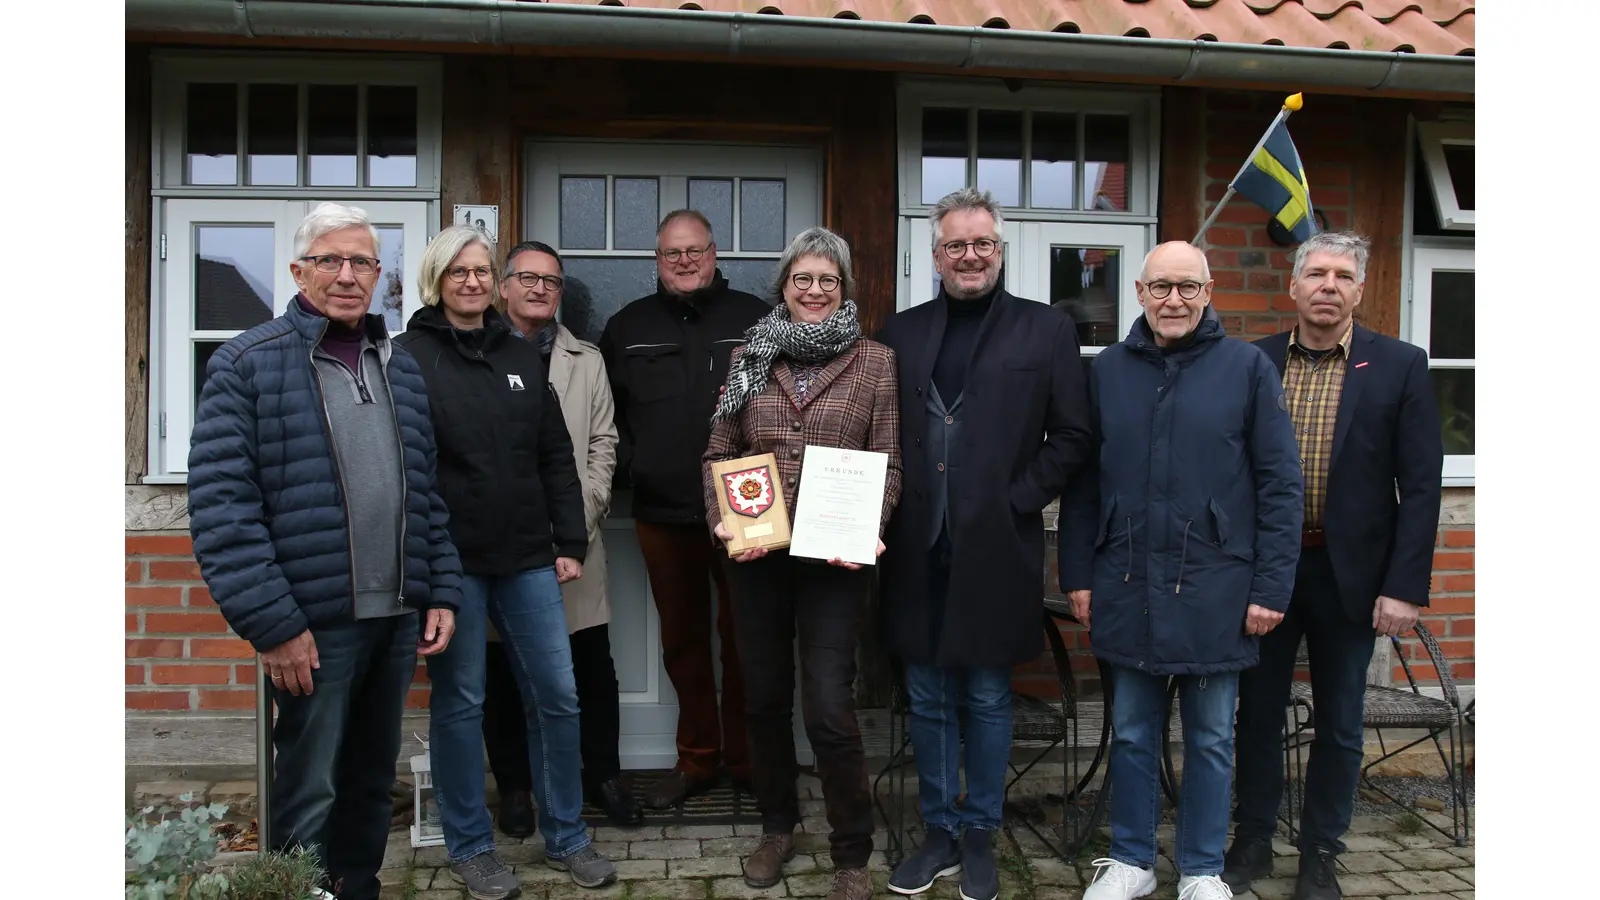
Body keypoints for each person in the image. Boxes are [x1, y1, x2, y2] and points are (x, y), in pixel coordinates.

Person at [188, 202, 461, 900]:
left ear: (381, 274)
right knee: (310, 786)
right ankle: (296, 891)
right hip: (312, 625)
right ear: (298, 270)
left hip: (396, 614)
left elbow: (424, 490)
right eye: (330, 261)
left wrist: (439, 588)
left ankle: (357, 887)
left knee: (373, 779)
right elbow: (223, 510)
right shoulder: (247, 364)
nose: (347, 275)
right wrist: (275, 627)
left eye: (362, 262)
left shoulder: (398, 365)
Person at [1059, 241, 1303, 900]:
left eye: (1187, 288)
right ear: (1138, 292)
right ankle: (1131, 861)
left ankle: (1200, 868)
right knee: (1134, 732)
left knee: (1212, 739)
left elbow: (1281, 485)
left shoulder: (1247, 368)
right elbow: (1083, 483)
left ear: (1209, 290)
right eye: (1161, 287)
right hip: (1127, 580)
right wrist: (1077, 573)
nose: (1174, 300)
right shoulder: (1106, 370)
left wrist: (1271, 586)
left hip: (1217, 588)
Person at [877, 188, 1094, 900]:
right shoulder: (900, 333)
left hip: (999, 544)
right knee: (929, 693)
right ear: (935, 255)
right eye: (955, 245)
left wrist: (1016, 500)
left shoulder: (1046, 330)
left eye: (983, 244)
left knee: (989, 694)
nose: (970, 256)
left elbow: (1073, 436)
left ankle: (979, 833)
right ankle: (937, 830)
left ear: (999, 250)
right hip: (915, 543)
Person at [394, 226, 617, 897]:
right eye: (457, 271)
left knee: (557, 694)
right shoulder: (407, 358)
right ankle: (469, 847)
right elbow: (408, 469)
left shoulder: (519, 353)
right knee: (461, 702)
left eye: (481, 270)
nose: (471, 281)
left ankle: (568, 837)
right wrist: (427, 565)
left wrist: (570, 541)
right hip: (452, 562)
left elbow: (553, 453)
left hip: (528, 559)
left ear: (494, 281)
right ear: (437, 278)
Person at [1224, 232, 1443, 900]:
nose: (1328, 285)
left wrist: (1404, 587)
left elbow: (1423, 485)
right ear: (1292, 286)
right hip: (1267, 573)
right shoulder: (1250, 361)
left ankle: (1321, 851)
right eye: (1315, 273)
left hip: (1352, 576)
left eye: (1343, 275)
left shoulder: (1400, 365)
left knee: (1341, 722)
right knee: (1256, 715)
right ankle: (1254, 839)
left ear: (1360, 289)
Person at [703, 227, 902, 900]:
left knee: (827, 705)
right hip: (757, 555)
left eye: (828, 280)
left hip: (834, 560)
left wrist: (870, 525)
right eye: (802, 279)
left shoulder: (876, 362)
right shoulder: (748, 356)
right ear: (783, 286)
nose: (814, 291)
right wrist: (728, 521)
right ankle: (778, 826)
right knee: (761, 698)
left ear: (844, 289)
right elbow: (719, 451)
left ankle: (851, 852)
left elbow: (889, 460)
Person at [598, 209, 770, 808]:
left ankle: (751, 760)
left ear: (715, 253)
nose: (685, 262)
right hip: (663, 509)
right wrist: (633, 468)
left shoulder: (757, 319)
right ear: (657, 261)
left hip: (748, 504)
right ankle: (697, 760)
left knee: (746, 638)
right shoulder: (626, 327)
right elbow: (605, 417)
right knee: (684, 641)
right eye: (673, 254)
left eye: (695, 250)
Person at [488, 239, 642, 829]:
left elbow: (605, 442)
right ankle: (516, 790)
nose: (539, 289)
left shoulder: (587, 358)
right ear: (504, 287)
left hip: (577, 538)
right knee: (504, 672)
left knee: (590, 667)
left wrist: (585, 511)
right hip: (503, 544)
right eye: (527, 278)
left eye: (551, 281)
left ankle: (600, 774)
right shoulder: (482, 352)